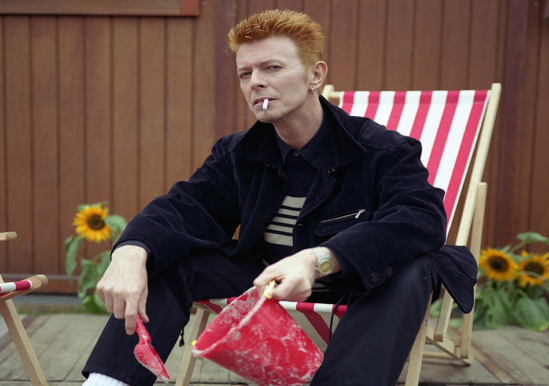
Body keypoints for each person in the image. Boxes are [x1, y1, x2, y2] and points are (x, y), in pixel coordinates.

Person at [82, 9, 478, 386]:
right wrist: (131, 253)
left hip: (358, 285)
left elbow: (419, 218)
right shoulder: (239, 151)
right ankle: (109, 380)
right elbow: (187, 207)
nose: (255, 81)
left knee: (415, 266)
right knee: (164, 255)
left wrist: (318, 259)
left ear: (315, 75)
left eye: (272, 68)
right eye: (245, 72)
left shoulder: (380, 148)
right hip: (267, 278)